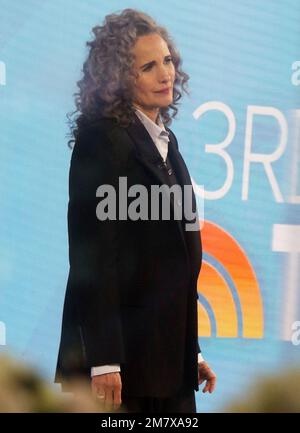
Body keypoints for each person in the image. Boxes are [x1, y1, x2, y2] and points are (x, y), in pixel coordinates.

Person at [55, 8, 216, 413]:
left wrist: (190, 352)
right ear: (120, 80)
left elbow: (174, 260)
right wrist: (104, 359)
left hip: (166, 363)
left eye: (167, 61)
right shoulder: (105, 141)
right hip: (121, 369)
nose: (166, 74)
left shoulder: (167, 142)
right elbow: (94, 259)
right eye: (149, 66)